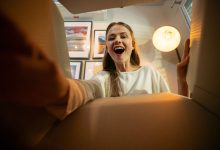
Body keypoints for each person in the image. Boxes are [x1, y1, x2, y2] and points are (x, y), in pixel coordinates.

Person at [0, 13, 190, 120]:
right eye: (111, 38)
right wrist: (62, 89)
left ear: (132, 45)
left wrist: (182, 79)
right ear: (107, 47)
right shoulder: (104, 78)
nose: (117, 39)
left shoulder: (150, 73)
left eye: (123, 36)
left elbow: (176, 113)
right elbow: (88, 88)